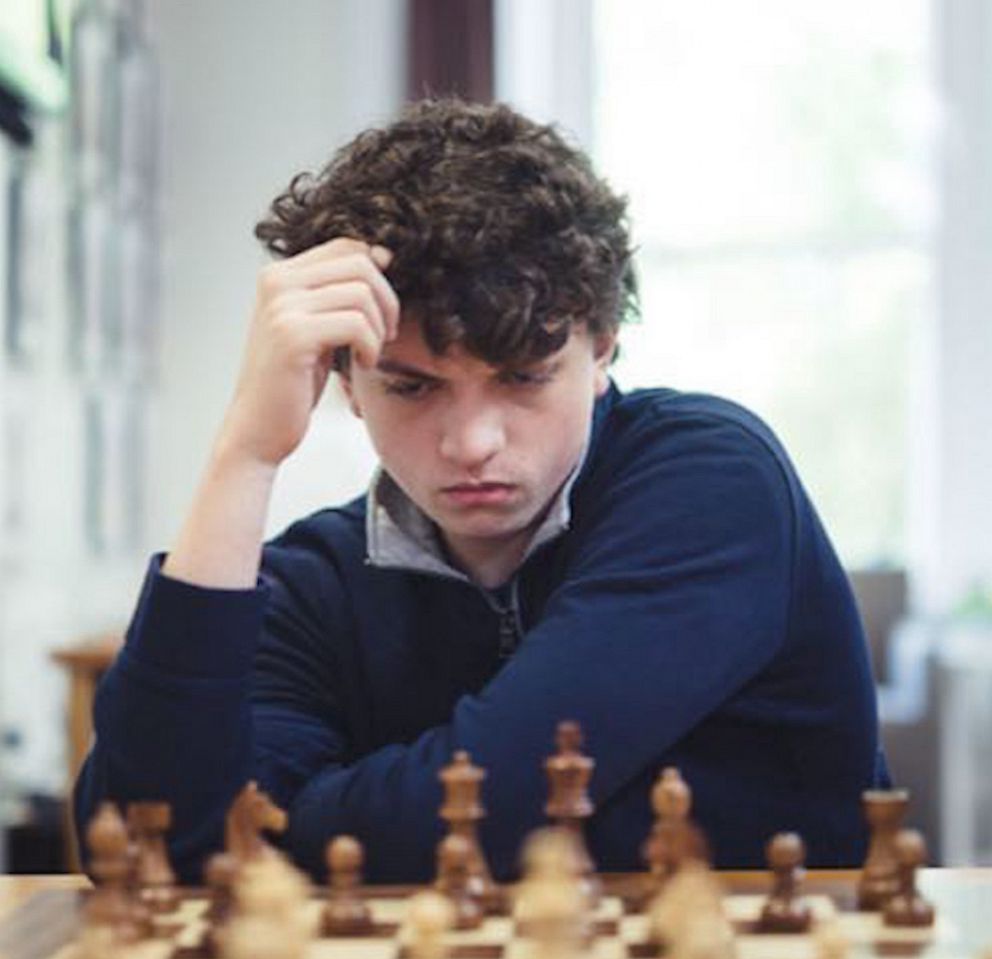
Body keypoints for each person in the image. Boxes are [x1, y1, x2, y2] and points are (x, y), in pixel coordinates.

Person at [74, 97, 888, 883]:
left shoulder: (710, 480)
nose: (472, 443)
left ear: (602, 347)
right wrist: (245, 454)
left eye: (523, 377)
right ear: (345, 380)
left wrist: (260, 837)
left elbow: (492, 811)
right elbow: (144, 843)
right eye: (412, 387)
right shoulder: (314, 578)